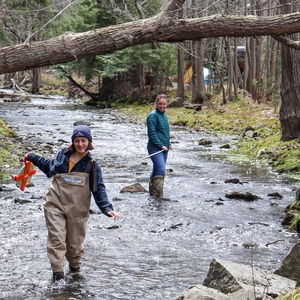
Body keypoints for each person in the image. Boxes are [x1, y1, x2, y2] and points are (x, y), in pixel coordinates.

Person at [26, 124, 121, 282]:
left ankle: (75, 274)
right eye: (77, 140)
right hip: (54, 203)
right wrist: (33, 157)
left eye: (84, 140)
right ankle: (58, 280)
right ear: (73, 141)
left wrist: (107, 208)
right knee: (56, 240)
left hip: (77, 210)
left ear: (89, 142)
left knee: (74, 246)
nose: (80, 144)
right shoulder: (62, 155)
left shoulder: (92, 165)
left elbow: (99, 190)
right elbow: (49, 168)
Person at [146, 94, 173, 200]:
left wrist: (168, 143)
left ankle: (152, 192)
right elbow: (151, 133)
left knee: (156, 169)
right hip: (154, 148)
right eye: (160, 104)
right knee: (161, 169)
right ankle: (160, 195)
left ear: (166, 104)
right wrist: (160, 145)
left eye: (164, 104)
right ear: (156, 104)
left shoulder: (164, 115)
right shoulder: (152, 116)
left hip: (164, 148)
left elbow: (165, 132)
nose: (162, 106)